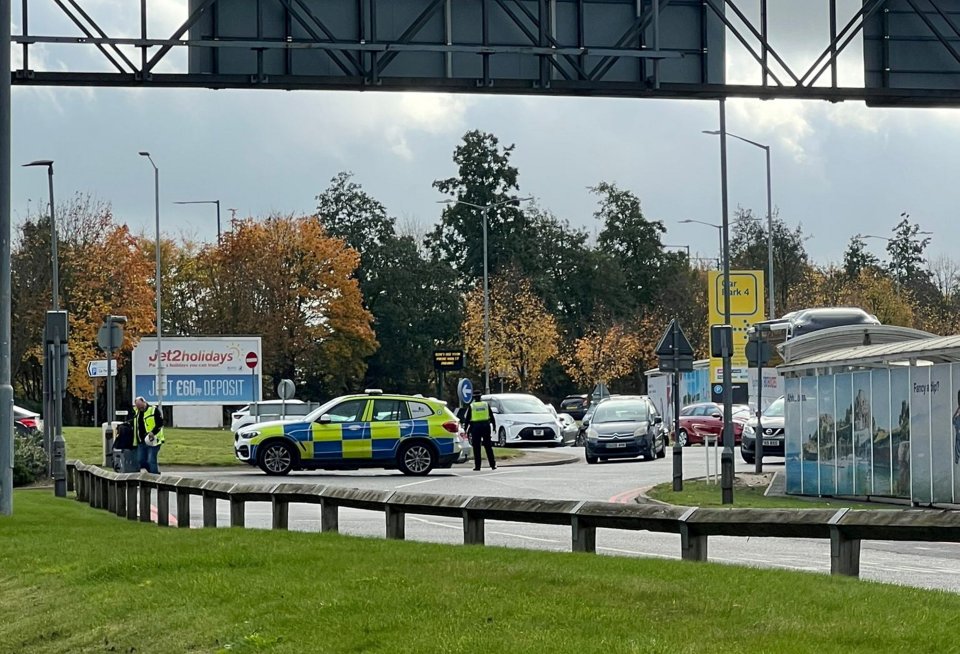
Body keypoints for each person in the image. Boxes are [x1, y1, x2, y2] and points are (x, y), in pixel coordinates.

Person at [133, 396, 165, 474]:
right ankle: (153, 473)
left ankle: (154, 478)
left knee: (151, 460)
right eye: (138, 407)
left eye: (141, 407)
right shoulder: (137, 412)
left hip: (153, 440)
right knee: (140, 460)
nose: (141, 409)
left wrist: (153, 432)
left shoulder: (153, 410)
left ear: (144, 402)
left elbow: (160, 423)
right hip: (141, 440)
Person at [463, 398, 496, 471]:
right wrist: (494, 426)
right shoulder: (485, 405)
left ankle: (478, 466)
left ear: (474, 398)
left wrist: (465, 429)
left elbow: (467, 419)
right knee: (488, 446)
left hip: (476, 427)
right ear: (480, 397)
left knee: (476, 447)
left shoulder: (472, 406)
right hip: (486, 426)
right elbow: (491, 415)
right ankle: (493, 465)